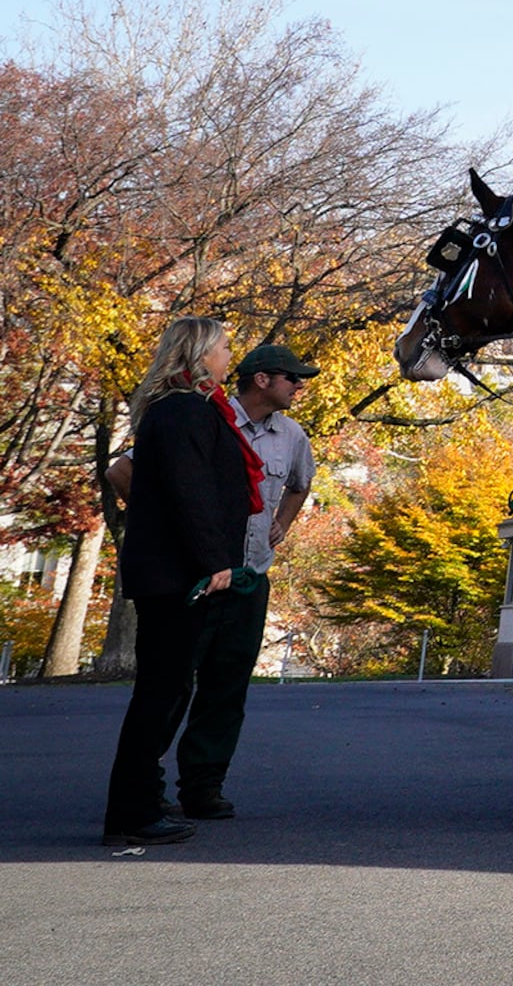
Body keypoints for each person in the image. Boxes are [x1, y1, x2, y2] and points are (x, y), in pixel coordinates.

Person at [100, 317, 257, 847]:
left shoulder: (179, 410)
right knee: (160, 694)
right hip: (175, 577)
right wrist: (216, 561)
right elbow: (192, 493)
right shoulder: (184, 411)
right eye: (223, 347)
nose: (228, 356)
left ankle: (140, 800)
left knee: (167, 690)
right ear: (198, 354)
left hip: (171, 573)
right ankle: (133, 811)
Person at [175, 343, 317, 820]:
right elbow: (126, 472)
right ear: (262, 380)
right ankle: (143, 784)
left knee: (226, 690)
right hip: (194, 578)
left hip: (250, 578)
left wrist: (283, 523)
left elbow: (300, 485)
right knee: (170, 686)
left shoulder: (293, 435)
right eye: (293, 378)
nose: (301, 386)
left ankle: (202, 787)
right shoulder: (206, 419)